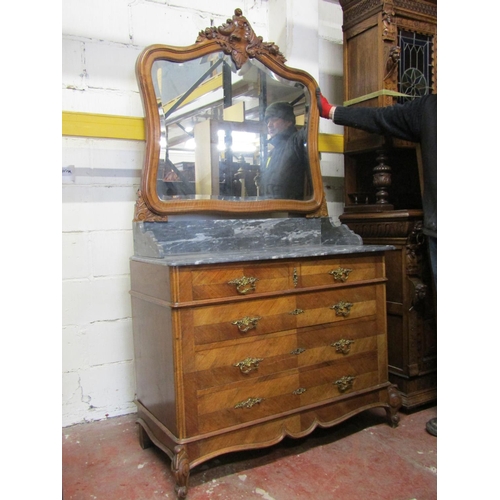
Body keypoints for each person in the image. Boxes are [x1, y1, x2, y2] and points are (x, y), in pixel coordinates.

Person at [318, 92, 437, 437]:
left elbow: (382, 119)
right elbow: (380, 119)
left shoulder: (431, 109)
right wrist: (332, 112)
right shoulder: (428, 109)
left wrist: (330, 111)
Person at [258, 101, 309, 200]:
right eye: (268, 121)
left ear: (288, 122)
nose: (269, 125)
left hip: (291, 211)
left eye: (274, 119)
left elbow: (310, 129)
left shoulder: (295, 141)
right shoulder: (272, 152)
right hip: (272, 209)